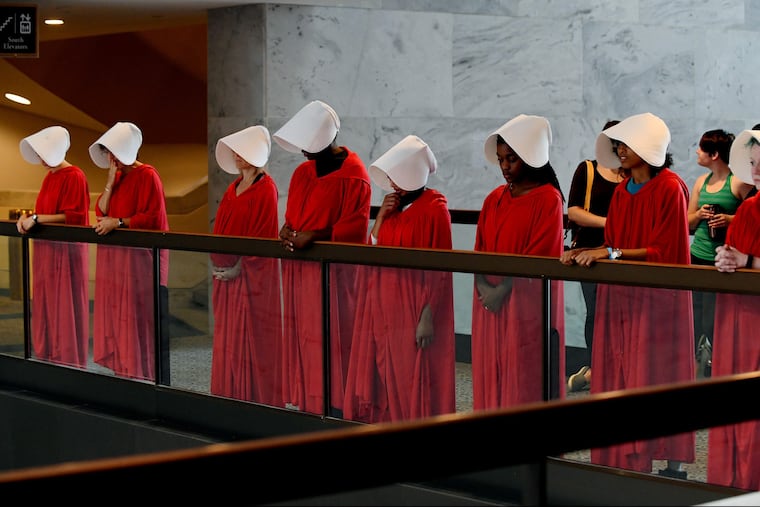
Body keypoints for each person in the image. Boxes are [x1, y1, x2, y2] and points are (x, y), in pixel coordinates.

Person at [560, 112, 695, 478]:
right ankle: (622, 455)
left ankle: (672, 464)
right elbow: (613, 241)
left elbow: (665, 251)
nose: (619, 149)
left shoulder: (670, 187)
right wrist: (587, 252)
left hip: (657, 300)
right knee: (620, 370)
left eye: (626, 143)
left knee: (656, 375)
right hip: (621, 296)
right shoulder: (621, 190)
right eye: (617, 143)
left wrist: (611, 252)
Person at [342, 135, 455, 423]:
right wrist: (380, 219)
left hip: (412, 305)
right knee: (383, 372)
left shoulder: (435, 209)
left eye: (396, 176)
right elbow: (373, 249)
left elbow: (440, 269)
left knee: (409, 374)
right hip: (381, 303)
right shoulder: (393, 208)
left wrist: (427, 314)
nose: (392, 184)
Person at [272, 100, 372, 416]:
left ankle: (338, 402)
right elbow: (293, 216)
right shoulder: (303, 172)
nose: (303, 152)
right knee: (305, 332)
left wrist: (314, 236)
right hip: (302, 272)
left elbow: (355, 227)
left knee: (334, 335)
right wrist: (287, 230)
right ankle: (309, 398)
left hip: (335, 276)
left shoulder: (354, 175)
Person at [472, 114, 566, 410]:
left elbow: (540, 256)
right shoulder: (493, 199)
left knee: (523, 377)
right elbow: (479, 251)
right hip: (490, 304)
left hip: (526, 307)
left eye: (511, 159)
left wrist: (502, 290)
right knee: (492, 374)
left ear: (529, 157)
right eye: (500, 159)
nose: (504, 167)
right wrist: (484, 287)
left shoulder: (548, 199)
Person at [89, 121, 170, 382]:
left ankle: (142, 374)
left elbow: (152, 218)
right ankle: (124, 370)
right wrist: (110, 182)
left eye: (113, 151)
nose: (110, 158)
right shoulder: (120, 177)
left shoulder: (148, 175)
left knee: (137, 317)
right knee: (118, 315)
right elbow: (101, 211)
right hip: (117, 260)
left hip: (139, 261)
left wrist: (119, 222)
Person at [209, 125, 283, 405]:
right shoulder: (233, 187)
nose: (237, 156)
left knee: (252, 337)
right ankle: (228, 395)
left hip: (250, 277)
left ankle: (252, 398)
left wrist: (239, 267)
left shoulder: (266, 189)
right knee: (227, 338)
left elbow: (263, 236)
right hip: (226, 275)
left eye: (242, 151)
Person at [708, 127, 760, 490]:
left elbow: (749, 259)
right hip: (740, 315)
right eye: (753, 162)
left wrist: (748, 260)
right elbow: (737, 257)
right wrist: (725, 259)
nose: (755, 170)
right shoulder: (749, 208)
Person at [17, 126, 90, 368]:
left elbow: (74, 217)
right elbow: (44, 212)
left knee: (64, 305)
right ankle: (47, 358)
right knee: (47, 304)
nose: (40, 160)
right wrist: (29, 218)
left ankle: (67, 361)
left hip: (65, 252)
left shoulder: (75, 175)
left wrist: (37, 219)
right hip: (47, 251)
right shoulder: (50, 177)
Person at [686, 129, 753, 377]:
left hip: (724, 260)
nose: (697, 152)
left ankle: (717, 363)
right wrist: (699, 215)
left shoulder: (738, 182)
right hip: (697, 255)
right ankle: (694, 364)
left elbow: (752, 218)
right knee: (694, 314)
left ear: (715, 154)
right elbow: (688, 221)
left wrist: (728, 219)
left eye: (702, 149)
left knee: (712, 318)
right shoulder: (700, 182)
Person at [565, 120, 623, 392]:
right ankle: (595, 364)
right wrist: (607, 223)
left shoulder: (630, 175)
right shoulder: (588, 169)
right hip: (590, 252)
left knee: (620, 312)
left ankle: (613, 365)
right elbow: (574, 211)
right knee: (596, 310)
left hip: (622, 254)